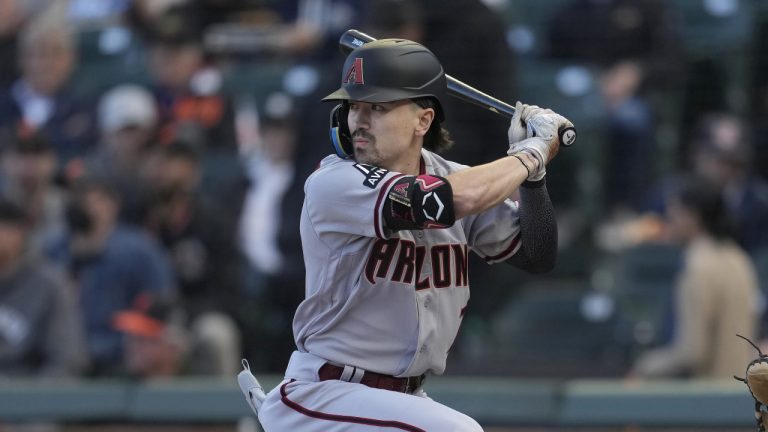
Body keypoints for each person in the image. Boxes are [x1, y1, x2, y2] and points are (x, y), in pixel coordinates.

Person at [255, 38, 571, 431]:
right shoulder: (334, 182)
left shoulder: (452, 176)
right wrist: (532, 153)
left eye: (379, 107)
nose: (359, 121)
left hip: (402, 398)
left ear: (423, 120)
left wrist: (534, 179)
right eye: (354, 106)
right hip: (326, 393)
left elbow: (537, 254)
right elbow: (451, 199)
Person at [630, 176, 759, 379]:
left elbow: (693, 351)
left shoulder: (698, 267)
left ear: (693, 216)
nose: (669, 221)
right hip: (740, 396)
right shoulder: (739, 259)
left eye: (674, 214)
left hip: (704, 400)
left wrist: (645, 366)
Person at [0, 197, 88, 377]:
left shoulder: (48, 285)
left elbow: (67, 360)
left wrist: (27, 398)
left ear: (20, 232)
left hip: (23, 395)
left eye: (4, 228)